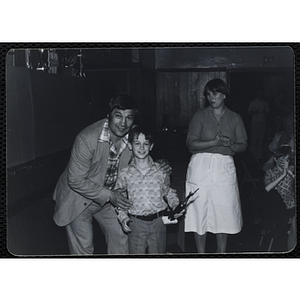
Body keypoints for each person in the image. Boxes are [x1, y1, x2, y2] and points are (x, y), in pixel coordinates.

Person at [52, 94, 170, 255]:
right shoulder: (86, 139)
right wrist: (109, 195)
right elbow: (75, 180)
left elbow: (143, 157)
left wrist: (160, 164)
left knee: (122, 236)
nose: (123, 123)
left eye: (129, 117)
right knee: (84, 246)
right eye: (118, 116)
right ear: (108, 116)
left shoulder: (133, 137)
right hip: (78, 197)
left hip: (109, 199)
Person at [184, 78, 248, 253]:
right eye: (208, 94)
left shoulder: (235, 118)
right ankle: (201, 254)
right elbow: (191, 144)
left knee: (224, 212)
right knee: (199, 210)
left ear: (224, 95)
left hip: (224, 166)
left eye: (215, 93)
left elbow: (243, 145)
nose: (211, 97)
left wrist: (230, 145)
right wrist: (213, 141)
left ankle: (221, 254)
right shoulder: (200, 115)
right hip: (200, 165)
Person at [115, 126, 181, 254]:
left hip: (158, 222)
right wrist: (123, 218)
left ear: (151, 146)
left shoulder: (160, 170)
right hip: (136, 223)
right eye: (137, 143)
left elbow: (168, 192)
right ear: (130, 146)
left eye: (146, 144)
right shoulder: (125, 173)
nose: (141, 148)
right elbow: (120, 200)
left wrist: (176, 206)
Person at [264, 146, 295, 250]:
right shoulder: (270, 173)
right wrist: (283, 175)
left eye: (287, 159)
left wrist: (288, 172)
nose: (284, 162)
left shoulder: (291, 170)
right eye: (282, 159)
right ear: (275, 159)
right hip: (278, 209)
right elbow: (267, 188)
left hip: (291, 205)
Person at [247, 89, 269, 160]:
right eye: (259, 93)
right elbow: (249, 112)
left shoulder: (264, 103)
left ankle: (258, 154)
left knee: (260, 138)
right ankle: (253, 153)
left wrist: (263, 112)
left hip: (263, 122)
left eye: (261, 93)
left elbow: (267, 112)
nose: (260, 94)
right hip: (255, 121)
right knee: (254, 138)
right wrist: (255, 112)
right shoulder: (253, 102)